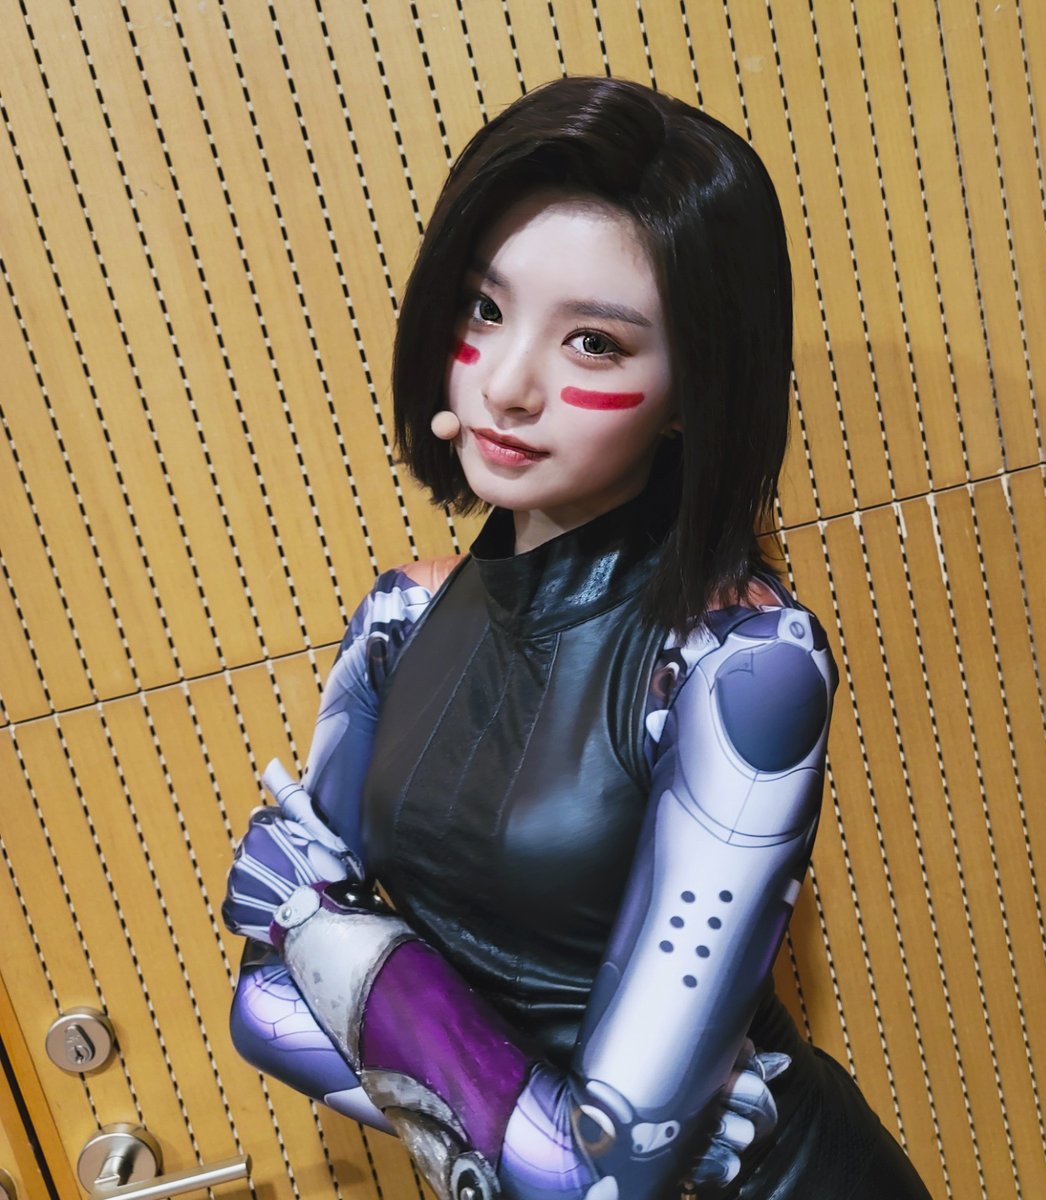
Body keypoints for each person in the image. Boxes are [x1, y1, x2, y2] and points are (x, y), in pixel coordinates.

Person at [222, 76, 931, 1200]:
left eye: (594, 343)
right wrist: (538, 1124)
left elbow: (596, 1179)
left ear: (695, 389)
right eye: (483, 308)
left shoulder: (744, 669)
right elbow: (261, 1008)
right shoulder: (399, 620)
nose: (507, 385)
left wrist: (333, 937)